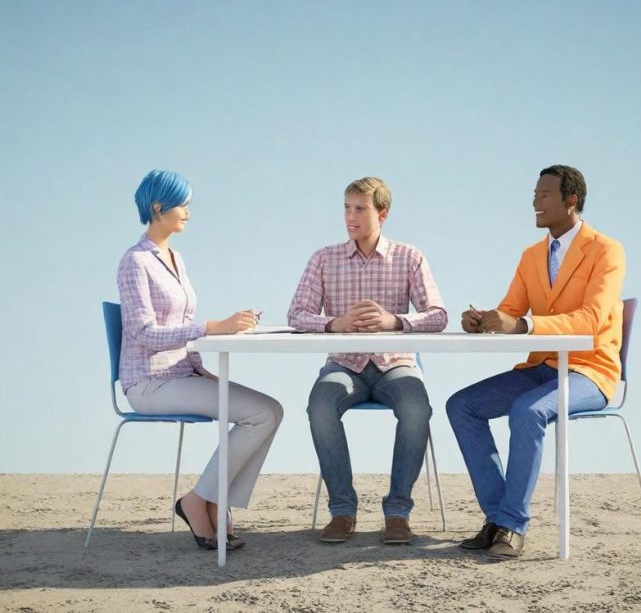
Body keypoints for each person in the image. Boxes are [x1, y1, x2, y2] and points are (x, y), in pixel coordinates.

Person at [447, 165, 625, 560]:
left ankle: (512, 525)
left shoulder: (606, 251)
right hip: (543, 367)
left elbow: (591, 320)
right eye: (534, 194)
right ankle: (497, 519)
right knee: (462, 406)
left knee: (528, 412)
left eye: (544, 195)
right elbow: (511, 309)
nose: (534, 202)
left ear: (571, 200)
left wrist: (524, 324)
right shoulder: (531, 256)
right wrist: (483, 320)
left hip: (591, 370)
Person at [117, 169, 283, 551]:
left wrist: (200, 364)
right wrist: (212, 326)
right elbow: (144, 333)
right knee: (261, 414)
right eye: (183, 204)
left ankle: (209, 499)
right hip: (149, 383)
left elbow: (178, 327)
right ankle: (200, 502)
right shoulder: (134, 262)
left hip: (179, 374)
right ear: (158, 207)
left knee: (269, 410)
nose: (189, 211)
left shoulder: (175, 257)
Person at [288, 177, 448, 544]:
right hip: (344, 365)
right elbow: (297, 314)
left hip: (395, 365)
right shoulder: (323, 259)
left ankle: (397, 513)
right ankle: (342, 511)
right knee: (320, 405)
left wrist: (396, 321)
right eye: (346, 207)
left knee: (416, 408)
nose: (351, 216)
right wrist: (335, 324)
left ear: (382, 213)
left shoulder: (410, 257)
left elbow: (438, 315)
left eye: (360, 208)